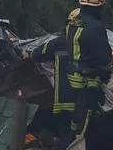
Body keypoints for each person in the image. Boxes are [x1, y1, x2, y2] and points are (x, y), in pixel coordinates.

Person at [32, 8, 80, 139]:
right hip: (88, 100)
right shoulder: (95, 44)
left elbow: (36, 54)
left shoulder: (59, 43)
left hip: (65, 100)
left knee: (66, 133)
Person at [69, 0, 110, 137]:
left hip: (71, 80)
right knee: (90, 116)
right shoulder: (96, 28)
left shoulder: (72, 24)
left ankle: (71, 142)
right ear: (98, 7)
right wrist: (106, 71)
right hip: (89, 81)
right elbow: (104, 57)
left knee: (76, 116)